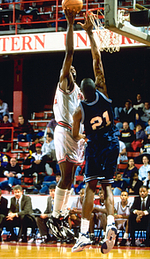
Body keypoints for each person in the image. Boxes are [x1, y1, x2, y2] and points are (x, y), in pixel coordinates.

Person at [71, 13, 119, 254]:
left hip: (96, 145)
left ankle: (83, 234)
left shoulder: (79, 111)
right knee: (108, 187)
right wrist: (90, 32)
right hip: (112, 142)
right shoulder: (103, 88)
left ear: (81, 93)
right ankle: (111, 225)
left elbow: (74, 134)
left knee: (90, 188)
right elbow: (96, 57)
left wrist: (84, 137)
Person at [46, 9, 84, 242]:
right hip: (64, 131)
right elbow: (69, 51)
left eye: (72, 69)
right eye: (67, 68)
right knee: (65, 176)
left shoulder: (78, 91)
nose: (70, 69)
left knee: (71, 178)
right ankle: (54, 216)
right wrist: (71, 24)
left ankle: (61, 215)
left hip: (75, 133)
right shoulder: (64, 83)